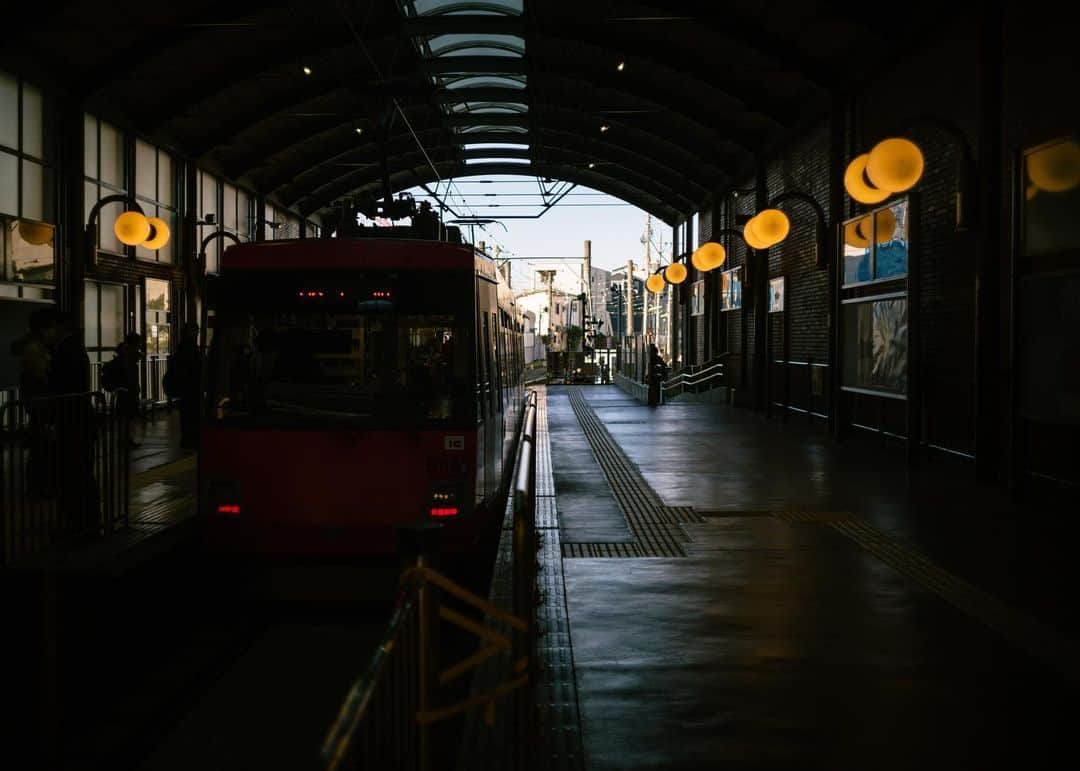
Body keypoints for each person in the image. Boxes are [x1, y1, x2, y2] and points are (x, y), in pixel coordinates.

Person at [166, 322, 202, 449]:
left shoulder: (182, 348)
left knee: (187, 414)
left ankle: (187, 439)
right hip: (191, 387)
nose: (197, 334)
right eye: (195, 331)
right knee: (191, 414)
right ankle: (190, 439)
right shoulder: (191, 349)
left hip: (187, 388)